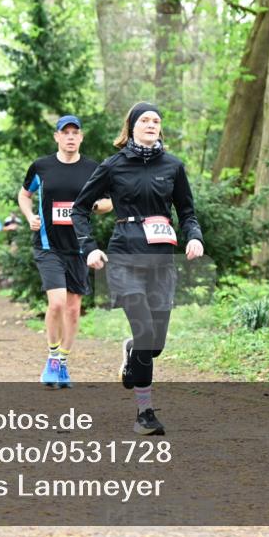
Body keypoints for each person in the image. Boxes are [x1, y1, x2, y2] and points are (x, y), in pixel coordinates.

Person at [72, 103, 204, 435]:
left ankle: (133, 351)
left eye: (156, 120)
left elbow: (187, 211)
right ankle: (144, 413)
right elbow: (80, 210)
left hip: (162, 260)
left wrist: (194, 237)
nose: (151, 124)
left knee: (153, 344)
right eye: (144, 120)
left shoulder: (173, 166)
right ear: (131, 126)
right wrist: (89, 247)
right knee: (145, 331)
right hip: (125, 257)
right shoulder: (114, 165)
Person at [18, 114, 112, 389]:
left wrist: (90, 207)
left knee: (73, 310)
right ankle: (52, 359)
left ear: (81, 137)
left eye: (75, 132)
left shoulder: (93, 169)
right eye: (65, 132)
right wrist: (29, 216)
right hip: (48, 246)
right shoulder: (42, 167)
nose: (70, 137)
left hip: (80, 247)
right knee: (57, 303)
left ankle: (64, 362)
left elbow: (109, 201)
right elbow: (24, 194)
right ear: (57, 137)